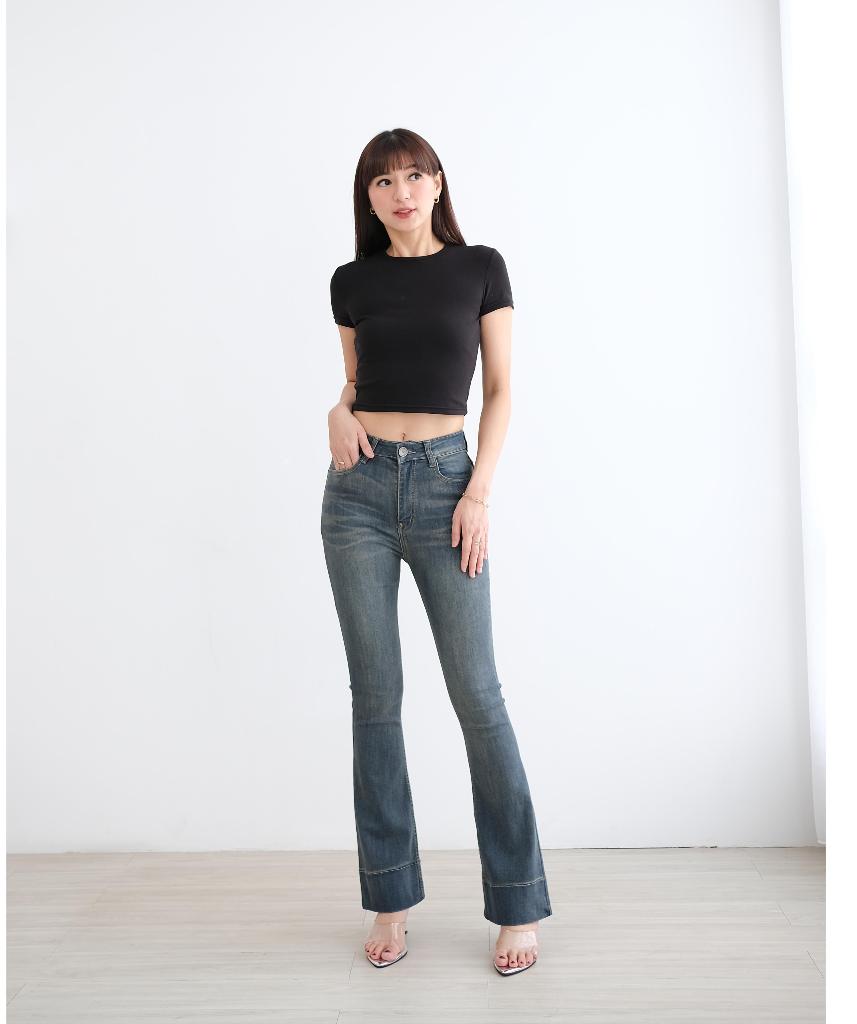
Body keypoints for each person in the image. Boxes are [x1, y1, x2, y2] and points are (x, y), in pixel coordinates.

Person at [321, 128, 552, 977]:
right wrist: (336, 412)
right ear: (369, 197)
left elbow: (501, 388)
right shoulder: (352, 281)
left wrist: (477, 492)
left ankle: (518, 901)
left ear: (438, 183)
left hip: (449, 487)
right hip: (356, 494)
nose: (402, 192)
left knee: (477, 694)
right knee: (375, 699)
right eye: (384, 181)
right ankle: (390, 896)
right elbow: (356, 382)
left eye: (414, 175)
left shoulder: (480, 268)